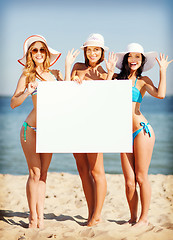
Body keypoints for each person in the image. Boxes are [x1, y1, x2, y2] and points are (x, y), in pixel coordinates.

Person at [107, 43, 173, 227]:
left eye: (138, 56)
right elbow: (102, 94)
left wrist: (162, 70)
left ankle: (144, 218)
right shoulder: (115, 79)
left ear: (142, 60)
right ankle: (133, 217)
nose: (134, 60)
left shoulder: (143, 80)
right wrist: (109, 70)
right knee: (129, 182)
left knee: (141, 177)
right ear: (126, 59)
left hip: (141, 130)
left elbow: (160, 95)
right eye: (130, 56)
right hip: (122, 134)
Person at [10, 34, 63, 229]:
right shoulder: (27, 76)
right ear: (30, 54)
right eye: (35, 50)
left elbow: (68, 98)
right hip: (31, 129)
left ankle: (40, 217)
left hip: (49, 130)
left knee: (44, 174)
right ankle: (33, 219)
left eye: (42, 50)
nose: (39, 53)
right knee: (34, 173)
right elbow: (13, 103)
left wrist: (71, 74)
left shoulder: (55, 75)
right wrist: (26, 92)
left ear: (47, 53)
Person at [65, 33, 115, 226]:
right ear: (85, 51)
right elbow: (65, 93)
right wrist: (69, 68)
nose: (92, 53)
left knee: (96, 171)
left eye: (96, 49)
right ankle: (90, 212)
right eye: (89, 49)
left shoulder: (104, 72)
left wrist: (110, 74)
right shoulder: (77, 67)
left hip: (95, 125)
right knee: (83, 170)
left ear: (102, 52)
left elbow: (108, 99)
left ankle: (97, 215)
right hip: (75, 125)